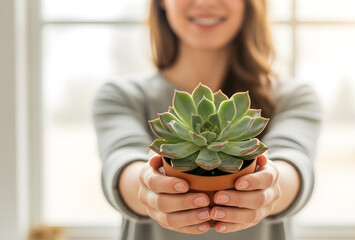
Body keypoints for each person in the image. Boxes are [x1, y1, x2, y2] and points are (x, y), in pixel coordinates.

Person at [92, 0, 322, 239]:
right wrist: (148, 189)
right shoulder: (121, 96)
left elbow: (295, 162)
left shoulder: (293, 96)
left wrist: (271, 188)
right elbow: (120, 161)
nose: (206, 2)